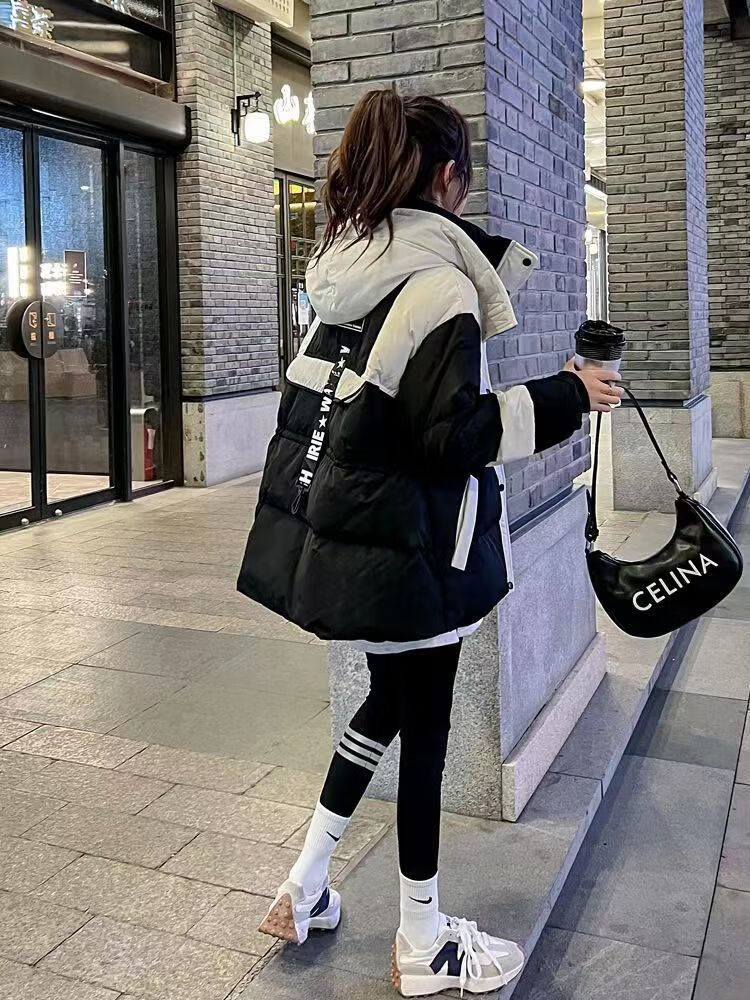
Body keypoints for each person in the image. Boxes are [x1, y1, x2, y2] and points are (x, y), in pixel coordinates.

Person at [237, 89, 622, 997]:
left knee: (387, 704)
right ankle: (421, 939)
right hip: (414, 547)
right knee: (427, 729)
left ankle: (306, 882)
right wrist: (568, 395)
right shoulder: (439, 285)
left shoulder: (346, 266)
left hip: (353, 539)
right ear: (449, 177)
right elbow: (453, 435)